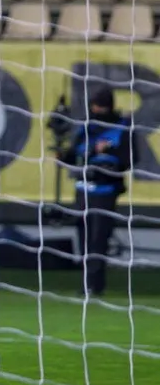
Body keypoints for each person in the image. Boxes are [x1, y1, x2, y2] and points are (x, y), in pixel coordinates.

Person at [59, 87, 134, 298]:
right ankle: (86, 282)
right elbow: (72, 156)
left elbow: (128, 159)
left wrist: (107, 151)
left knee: (98, 238)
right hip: (83, 189)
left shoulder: (122, 127)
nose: (97, 110)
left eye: (100, 106)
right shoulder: (86, 128)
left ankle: (95, 283)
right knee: (83, 237)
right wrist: (63, 154)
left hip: (105, 191)